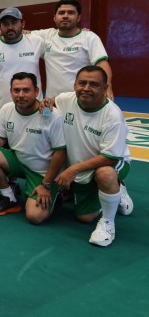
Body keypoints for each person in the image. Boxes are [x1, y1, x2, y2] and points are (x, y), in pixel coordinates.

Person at [47, 65, 133, 247]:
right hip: (83, 167)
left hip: (112, 162)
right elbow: (52, 102)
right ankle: (110, 193)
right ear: (75, 85)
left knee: (105, 174)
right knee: (84, 217)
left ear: (105, 88)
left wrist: (73, 169)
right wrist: (45, 103)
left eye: (94, 84)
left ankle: (108, 222)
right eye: (82, 83)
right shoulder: (65, 99)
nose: (86, 88)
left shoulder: (113, 115)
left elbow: (110, 157)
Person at [0, 72, 66, 222]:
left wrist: (47, 185)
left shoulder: (51, 115)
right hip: (19, 161)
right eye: (16, 90)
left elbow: (60, 153)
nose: (21, 95)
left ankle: (57, 195)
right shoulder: (6, 109)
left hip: (43, 173)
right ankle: (9, 197)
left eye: (26, 90)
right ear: (11, 92)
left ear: (36, 91)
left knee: (34, 216)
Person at [29, 0, 114, 99]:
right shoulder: (46, 36)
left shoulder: (89, 37)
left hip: (79, 100)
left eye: (71, 13)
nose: (65, 16)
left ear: (78, 18)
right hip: (52, 101)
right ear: (55, 18)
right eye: (61, 13)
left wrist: (108, 87)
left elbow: (102, 64)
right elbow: (19, 33)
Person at [0, 7, 45, 115]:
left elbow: (54, 54)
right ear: (0, 27)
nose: (10, 27)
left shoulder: (37, 41)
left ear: (23, 24)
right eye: (5, 24)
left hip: (33, 109)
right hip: (0, 111)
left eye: (14, 23)